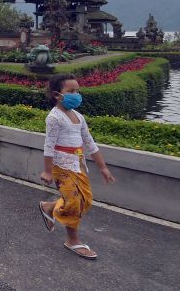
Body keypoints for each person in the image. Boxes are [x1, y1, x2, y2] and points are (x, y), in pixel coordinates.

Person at [38, 74, 115, 260]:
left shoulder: (78, 117)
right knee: (74, 203)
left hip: (78, 164)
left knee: (85, 199)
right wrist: (48, 170)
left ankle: (49, 207)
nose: (76, 95)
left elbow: (90, 143)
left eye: (77, 90)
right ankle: (73, 241)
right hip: (61, 166)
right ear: (58, 95)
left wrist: (103, 167)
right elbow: (48, 146)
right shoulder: (54, 118)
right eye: (71, 91)